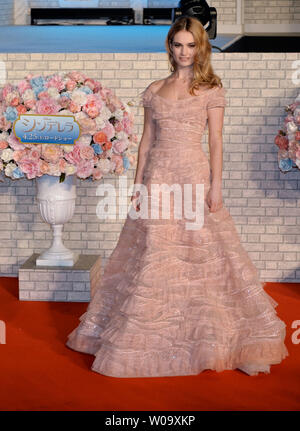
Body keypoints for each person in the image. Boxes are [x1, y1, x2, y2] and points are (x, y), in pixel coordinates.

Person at [66, 16, 289, 377]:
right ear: (170, 47)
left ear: (200, 48)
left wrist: (216, 186)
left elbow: (215, 141)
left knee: (203, 255)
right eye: (178, 44)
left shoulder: (211, 90)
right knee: (155, 253)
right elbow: (146, 141)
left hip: (193, 176)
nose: (184, 52)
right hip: (157, 178)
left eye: (191, 45)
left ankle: (212, 336)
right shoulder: (155, 89)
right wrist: (138, 185)